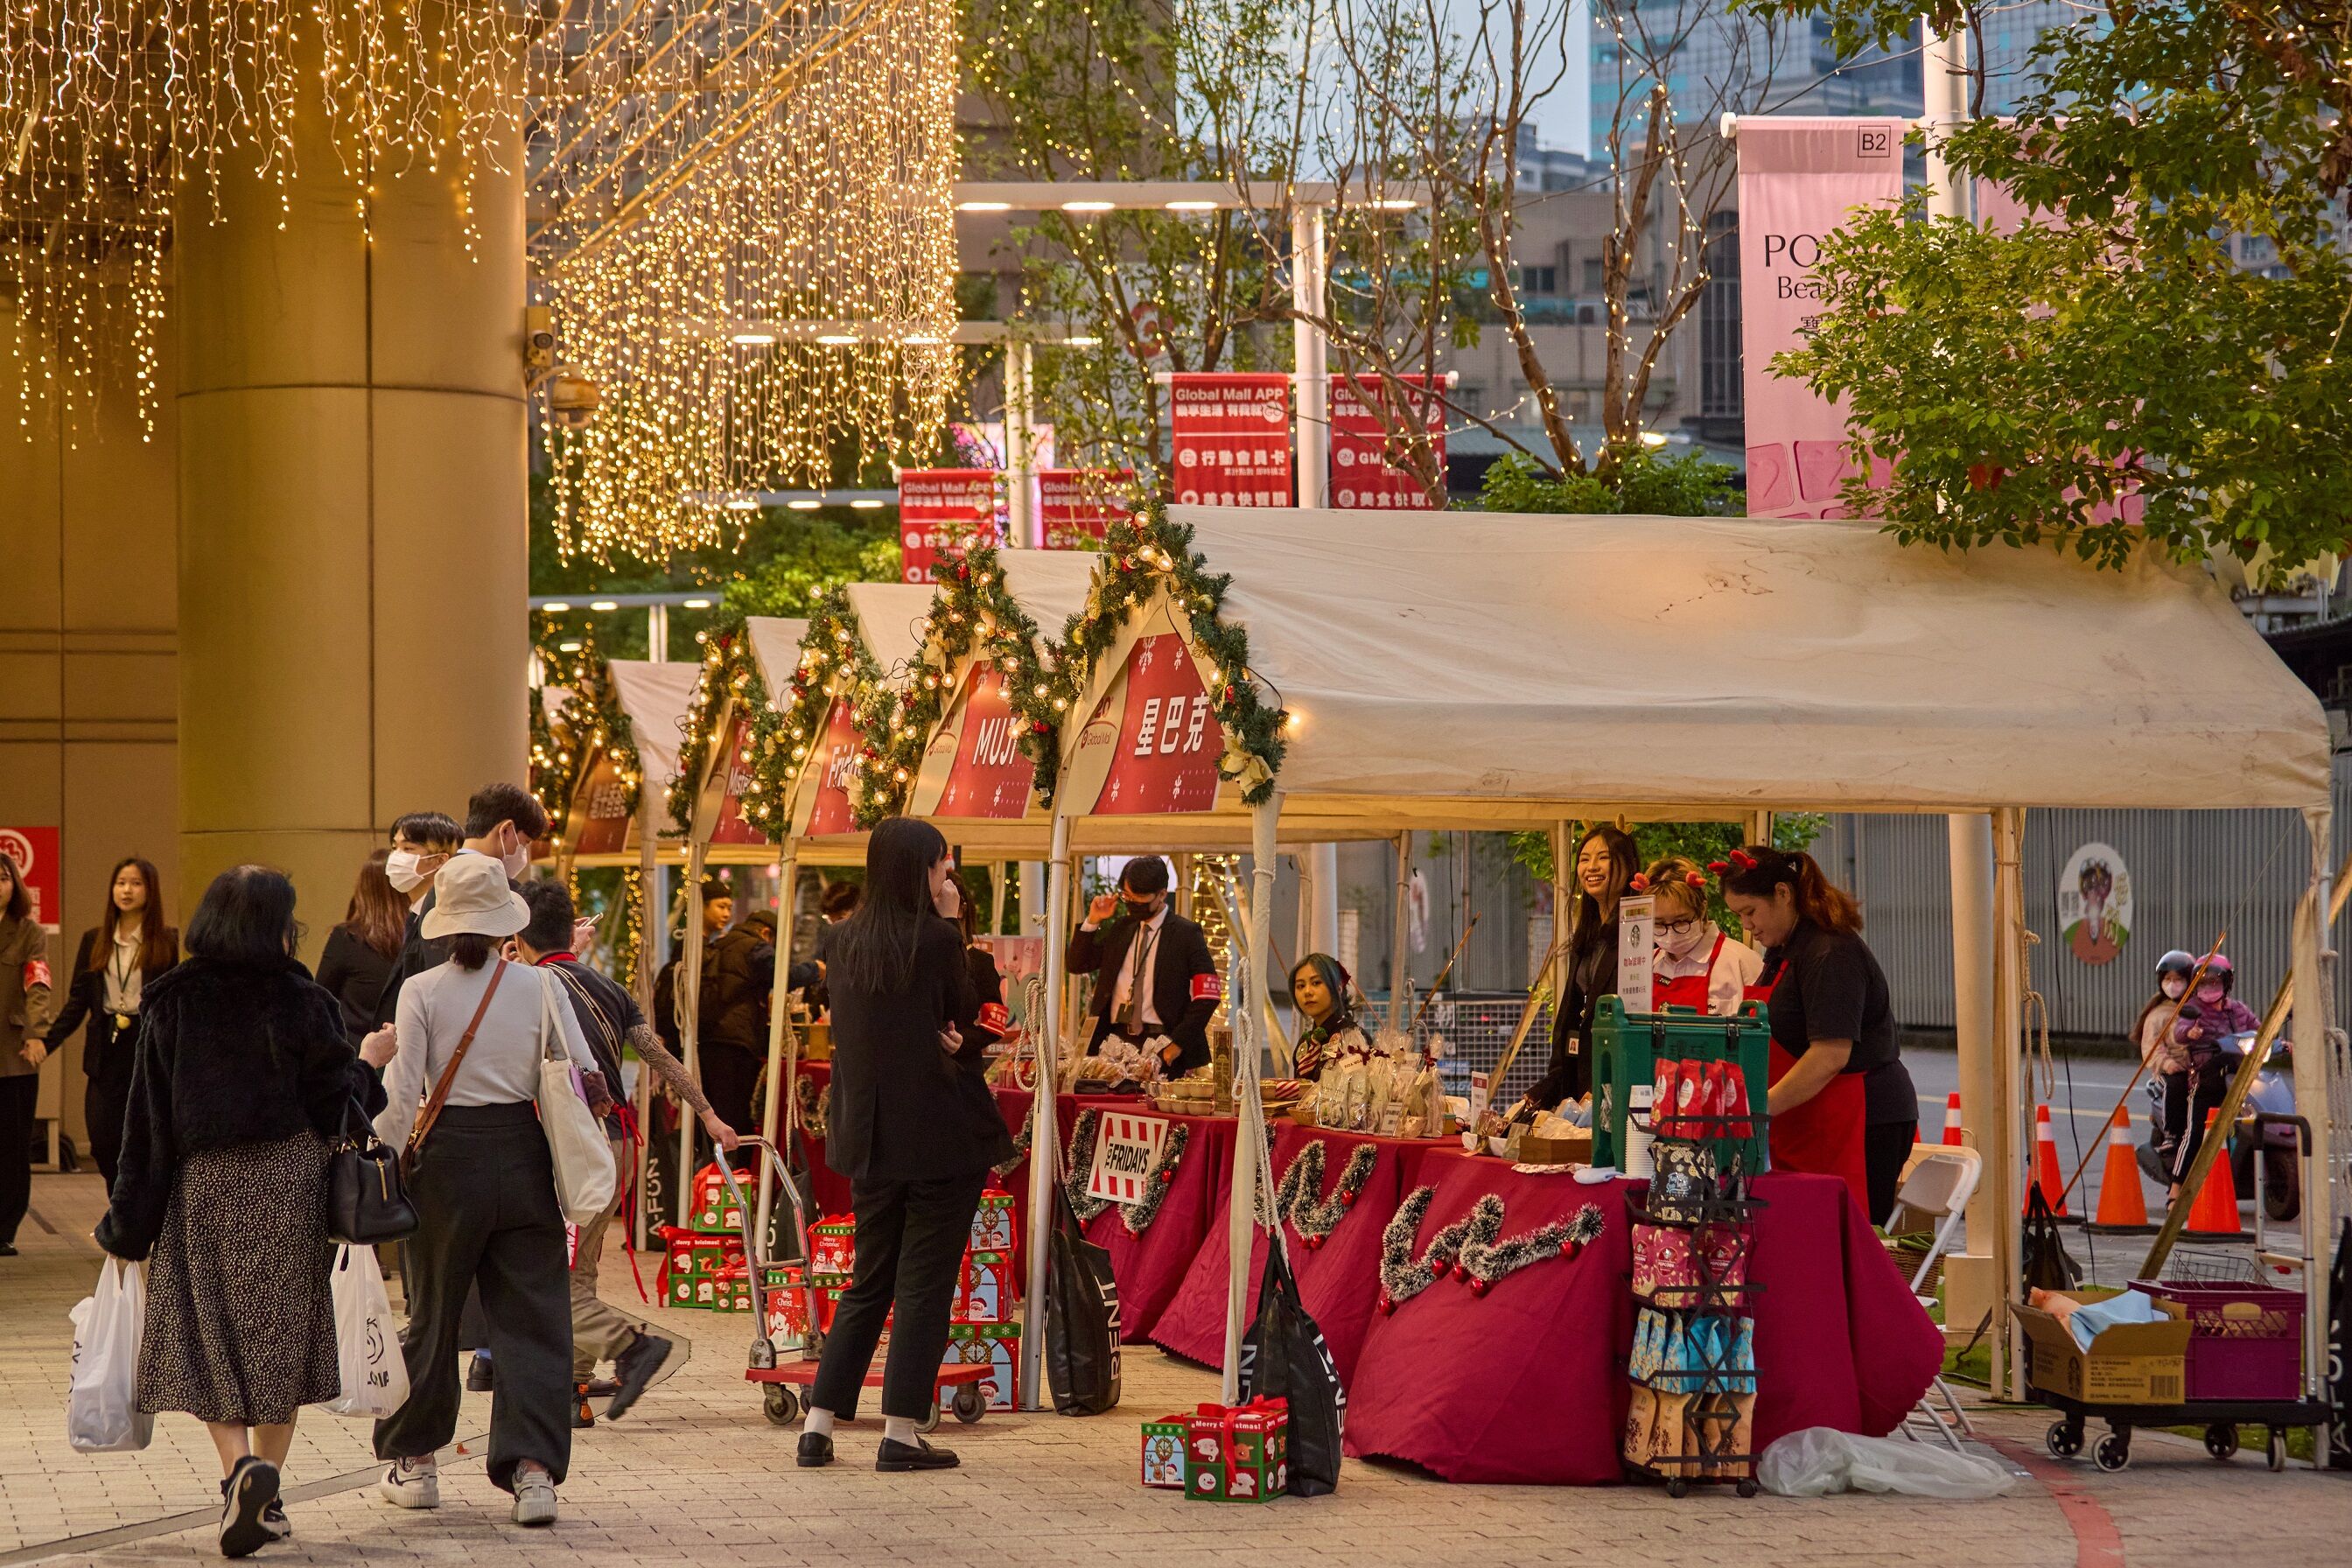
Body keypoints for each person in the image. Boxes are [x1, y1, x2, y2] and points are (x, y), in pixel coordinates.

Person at [94, 864, 391, 1558]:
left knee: (204, 1335)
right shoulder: (302, 999)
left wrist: (127, 1227)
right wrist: (370, 1062)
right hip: (288, 1183)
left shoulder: (170, 1000)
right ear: (273, 927)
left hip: (205, 1186)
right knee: (279, 1338)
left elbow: (147, 1125)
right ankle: (269, 1487)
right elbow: (338, 1108)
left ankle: (238, 1474)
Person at [371, 852, 599, 1527]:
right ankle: (533, 1475)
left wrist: (382, 1157)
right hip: (525, 1156)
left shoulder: (422, 990)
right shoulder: (539, 986)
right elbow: (580, 1069)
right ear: (505, 919)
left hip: (446, 1163)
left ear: (444, 925)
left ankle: (415, 1463)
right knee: (533, 1316)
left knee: (435, 1314)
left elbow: (402, 1091)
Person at [799, 817, 1010, 1473]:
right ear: (921, 868)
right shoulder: (938, 939)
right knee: (923, 1283)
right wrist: (954, 926)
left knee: (869, 1279)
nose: (945, 874)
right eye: (940, 864)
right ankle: (899, 1433)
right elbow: (964, 1012)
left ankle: (818, 1424)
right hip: (939, 1136)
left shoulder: (842, 939)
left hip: (867, 1136)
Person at [514, 881, 738, 1428]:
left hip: (561, 1148)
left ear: (518, 934)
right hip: (614, 1147)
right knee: (582, 1269)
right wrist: (707, 1112)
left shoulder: (523, 986)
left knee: (544, 1273)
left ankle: (621, 1353)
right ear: (572, 931)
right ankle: (574, 1393)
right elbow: (659, 1055)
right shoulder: (611, 988)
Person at [1720, 845, 1915, 1222]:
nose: (1747, 925)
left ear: (1783, 893)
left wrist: (1758, 1109)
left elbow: (1829, 1055)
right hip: (1810, 1115)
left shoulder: (1830, 951)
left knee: (1851, 1232)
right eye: (1739, 915)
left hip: (1862, 1117)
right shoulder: (1782, 951)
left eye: (1750, 912)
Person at [32, 856, 178, 1193]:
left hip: (146, 1044)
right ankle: (121, 1206)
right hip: (106, 1047)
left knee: (144, 1137)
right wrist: (46, 1042)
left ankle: (134, 1221)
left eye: (136, 883)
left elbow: (173, 1005)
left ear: (150, 891)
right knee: (102, 1138)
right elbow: (77, 1001)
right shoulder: (94, 939)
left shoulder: (166, 941)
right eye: (121, 882)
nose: (127, 890)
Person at [1519, 825, 1642, 1114]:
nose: (1591, 867)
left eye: (1603, 857)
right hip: (1580, 1088)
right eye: (1584, 859)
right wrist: (1544, 1091)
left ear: (1629, 865)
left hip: (1618, 1089)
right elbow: (1571, 1018)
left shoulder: (1639, 932)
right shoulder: (1588, 933)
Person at [1063, 857, 1221, 1077]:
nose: (1132, 903)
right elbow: (1077, 964)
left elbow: (1208, 996)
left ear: (1162, 894)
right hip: (1115, 1042)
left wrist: (1176, 1045)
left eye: (1140, 898)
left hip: (1163, 1043)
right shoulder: (1121, 928)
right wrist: (1093, 920)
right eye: (1127, 896)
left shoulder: (1186, 934)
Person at [2164, 952, 2259, 1201]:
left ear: (2227, 983)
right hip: (2206, 1078)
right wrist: (2191, 1033)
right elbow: (2180, 1031)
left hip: (2239, 1077)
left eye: (2214, 981)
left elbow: (2260, 1029)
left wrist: (2281, 1042)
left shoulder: (2238, 1010)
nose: (2209, 987)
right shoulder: (2193, 1008)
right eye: (2203, 982)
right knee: (2194, 1133)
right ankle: (2175, 1190)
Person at [0, 850, 53, 1258]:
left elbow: (38, 986)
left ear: (14, 885)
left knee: (13, 1145)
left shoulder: (29, 932)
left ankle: (5, 1228)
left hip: (13, 1053)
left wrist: (37, 1035)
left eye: (3, 877)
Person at [368, 811, 463, 1029]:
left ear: (439, 860)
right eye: (395, 847)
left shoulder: (441, 924)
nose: (396, 857)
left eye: (408, 849)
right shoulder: (415, 915)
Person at [1642, 857, 1761, 1017]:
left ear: (1702, 909)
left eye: (1680, 921)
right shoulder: (1647, 965)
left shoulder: (1741, 962)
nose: (1670, 932)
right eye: (1659, 924)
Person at [315, 850, 404, 1044]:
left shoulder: (347, 938)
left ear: (363, 888)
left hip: (354, 1055)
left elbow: (320, 999)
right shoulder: (419, 937)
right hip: (404, 1053)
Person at [2134, 948, 2199, 1174]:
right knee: (2176, 1083)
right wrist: (2167, 1063)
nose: (2173, 984)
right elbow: (2152, 1047)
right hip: (2172, 1069)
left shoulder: (2200, 1008)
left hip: (2200, 1066)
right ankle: (2172, 1135)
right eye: (2168, 979)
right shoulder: (2158, 1015)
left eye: (2178, 979)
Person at [1290, 953, 1370, 1081]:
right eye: (1300, 986)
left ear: (1338, 988)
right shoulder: (1306, 1043)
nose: (1307, 992)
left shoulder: (1354, 1039)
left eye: (1316, 983)